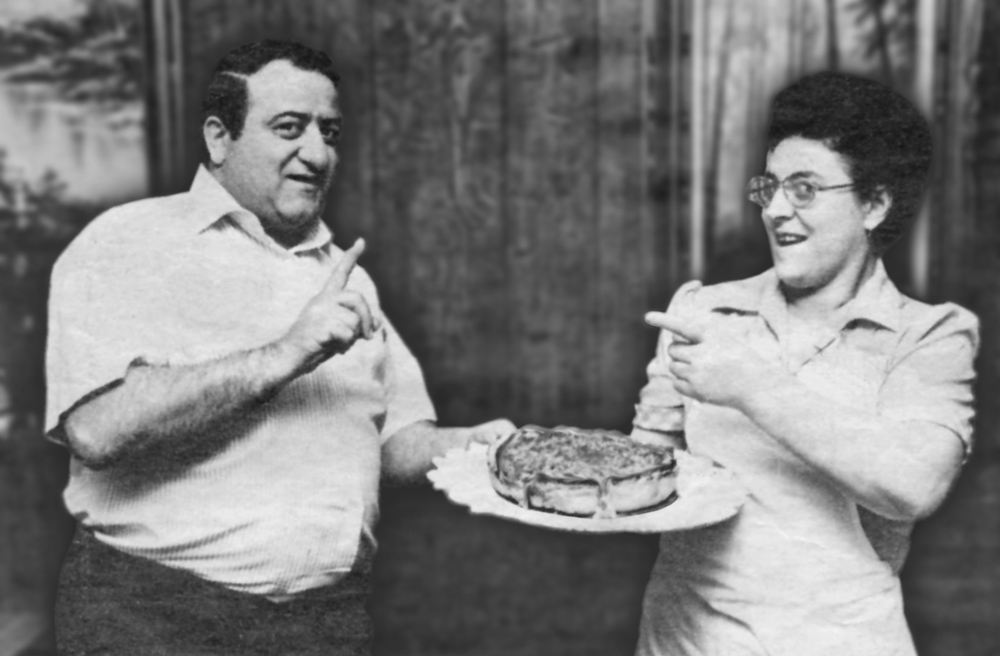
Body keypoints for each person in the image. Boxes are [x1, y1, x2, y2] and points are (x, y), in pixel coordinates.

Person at [44, 39, 514, 656]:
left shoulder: (345, 274)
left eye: (331, 132)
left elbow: (394, 442)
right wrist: (287, 352)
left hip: (326, 625)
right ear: (219, 138)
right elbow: (97, 431)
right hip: (154, 620)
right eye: (289, 128)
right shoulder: (129, 242)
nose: (317, 154)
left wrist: (469, 446)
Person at [632, 71, 979, 655]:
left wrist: (751, 385)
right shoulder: (702, 311)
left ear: (874, 204)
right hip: (686, 639)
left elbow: (913, 485)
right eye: (769, 187)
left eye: (805, 189)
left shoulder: (930, 335)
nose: (775, 211)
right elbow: (644, 479)